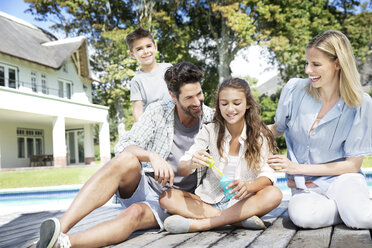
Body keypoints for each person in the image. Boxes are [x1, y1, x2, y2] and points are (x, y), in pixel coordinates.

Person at [33, 62, 214, 248]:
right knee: (127, 158)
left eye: (199, 94)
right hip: (146, 185)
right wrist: (151, 156)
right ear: (173, 97)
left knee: (134, 213)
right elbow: (124, 146)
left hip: (176, 201)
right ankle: (59, 228)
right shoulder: (158, 111)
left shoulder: (212, 119)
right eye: (189, 97)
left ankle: (61, 244)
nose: (197, 102)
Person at [267, 30, 372, 229]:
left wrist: (297, 169)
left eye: (315, 64)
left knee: (363, 219)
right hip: (305, 188)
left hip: (343, 179)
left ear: (338, 64)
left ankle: (353, 210)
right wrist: (240, 130)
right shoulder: (294, 90)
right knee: (305, 218)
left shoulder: (361, 103)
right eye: (307, 63)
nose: (308, 70)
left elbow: (352, 166)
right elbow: (277, 129)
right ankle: (347, 210)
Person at [159, 78, 283, 233]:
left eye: (236, 103)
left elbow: (268, 175)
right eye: (224, 104)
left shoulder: (260, 136)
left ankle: (202, 224)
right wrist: (191, 162)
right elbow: (183, 168)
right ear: (218, 106)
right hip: (208, 201)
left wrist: (248, 186)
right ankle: (236, 220)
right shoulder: (209, 131)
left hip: (243, 202)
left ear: (248, 104)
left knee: (274, 194)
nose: (230, 109)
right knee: (167, 197)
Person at [126, 27, 172, 122]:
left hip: (176, 119)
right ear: (132, 55)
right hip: (154, 124)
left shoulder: (168, 68)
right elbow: (138, 110)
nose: (146, 51)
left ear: (155, 47)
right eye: (139, 49)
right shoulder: (137, 80)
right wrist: (140, 130)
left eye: (148, 46)